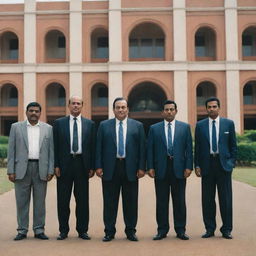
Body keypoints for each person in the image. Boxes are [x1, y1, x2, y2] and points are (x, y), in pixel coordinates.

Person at [95, 97, 146, 242]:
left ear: (128, 109)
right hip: (110, 168)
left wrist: (142, 167)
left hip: (131, 169)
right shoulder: (104, 126)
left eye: (123, 107)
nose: (121, 110)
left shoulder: (138, 126)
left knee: (130, 201)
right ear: (113, 110)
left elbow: (142, 148)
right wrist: (98, 166)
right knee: (110, 202)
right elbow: (98, 147)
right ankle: (109, 231)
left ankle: (130, 231)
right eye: (118, 107)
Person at [7, 102, 54, 241]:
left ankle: (39, 229)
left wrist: (50, 169)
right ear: (26, 112)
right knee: (22, 201)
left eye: (36, 111)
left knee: (40, 202)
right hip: (21, 169)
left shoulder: (48, 129)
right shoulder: (16, 127)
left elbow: (51, 151)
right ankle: (22, 230)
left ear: (40, 113)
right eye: (31, 111)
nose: (34, 113)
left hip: (41, 168)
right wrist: (10, 170)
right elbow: (11, 150)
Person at [147, 100, 193, 241]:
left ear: (176, 111)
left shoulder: (184, 128)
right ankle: (162, 230)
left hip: (179, 169)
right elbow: (150, 150)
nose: (169, 112)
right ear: (163, 112)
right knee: (161, 201)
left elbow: (189, 150)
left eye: (171, 109)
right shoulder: (154, 128)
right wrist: (150, 167)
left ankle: (180, 230)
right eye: (166, 109)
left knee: (179, 201)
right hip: (161, 168)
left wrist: (188, 166)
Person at [53, 96, 96, 240]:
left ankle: (82, 230)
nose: (76, 106)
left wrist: (92, 166)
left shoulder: (90, 124)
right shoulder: (59, 123)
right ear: (68, 106)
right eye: (73, 103)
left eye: (78, 103)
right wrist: (56, 165)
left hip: (82, 165)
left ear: (82, 106)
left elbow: (92, 146)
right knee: (63, 200)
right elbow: (55, 146)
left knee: (83, 200)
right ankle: (63, 230)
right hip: (65, 165)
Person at [194, 97, 237, 239]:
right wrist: (197, 165)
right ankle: (209, 228)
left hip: (223, 166)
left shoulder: (228, 124)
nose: (211, 109)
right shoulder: (200, 125)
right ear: (206, 109)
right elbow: (198, 147)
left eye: (214, 106)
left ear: (219, 108)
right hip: (207, 165)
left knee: (225, 199)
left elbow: (233, 146)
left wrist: (231, 163)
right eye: (209, 107)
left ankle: (226, 229)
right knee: (207, 199)